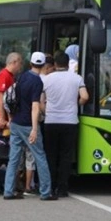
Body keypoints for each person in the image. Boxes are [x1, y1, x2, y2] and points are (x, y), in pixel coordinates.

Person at [3, 52, 57, 201]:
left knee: (13, 158)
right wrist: (34, 128)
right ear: (44, 64)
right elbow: (35, 107)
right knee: (40, 156)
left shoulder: (22, 76)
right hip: (28, 124)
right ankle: (46, 192)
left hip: (16, 123)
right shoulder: (37, 82)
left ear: (31, 63)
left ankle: (8, 190)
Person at [41, 53, 89, 197]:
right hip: (69, 121)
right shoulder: (77, 78)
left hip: (51, 121)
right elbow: (85, 97)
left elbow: (41, 101)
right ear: (68, 64)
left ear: (55, 64)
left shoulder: (47, 79)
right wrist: (75, 104)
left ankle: (50, 185)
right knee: (65, 155)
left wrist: (47, 112)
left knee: (51, 155)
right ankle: (62, 188)